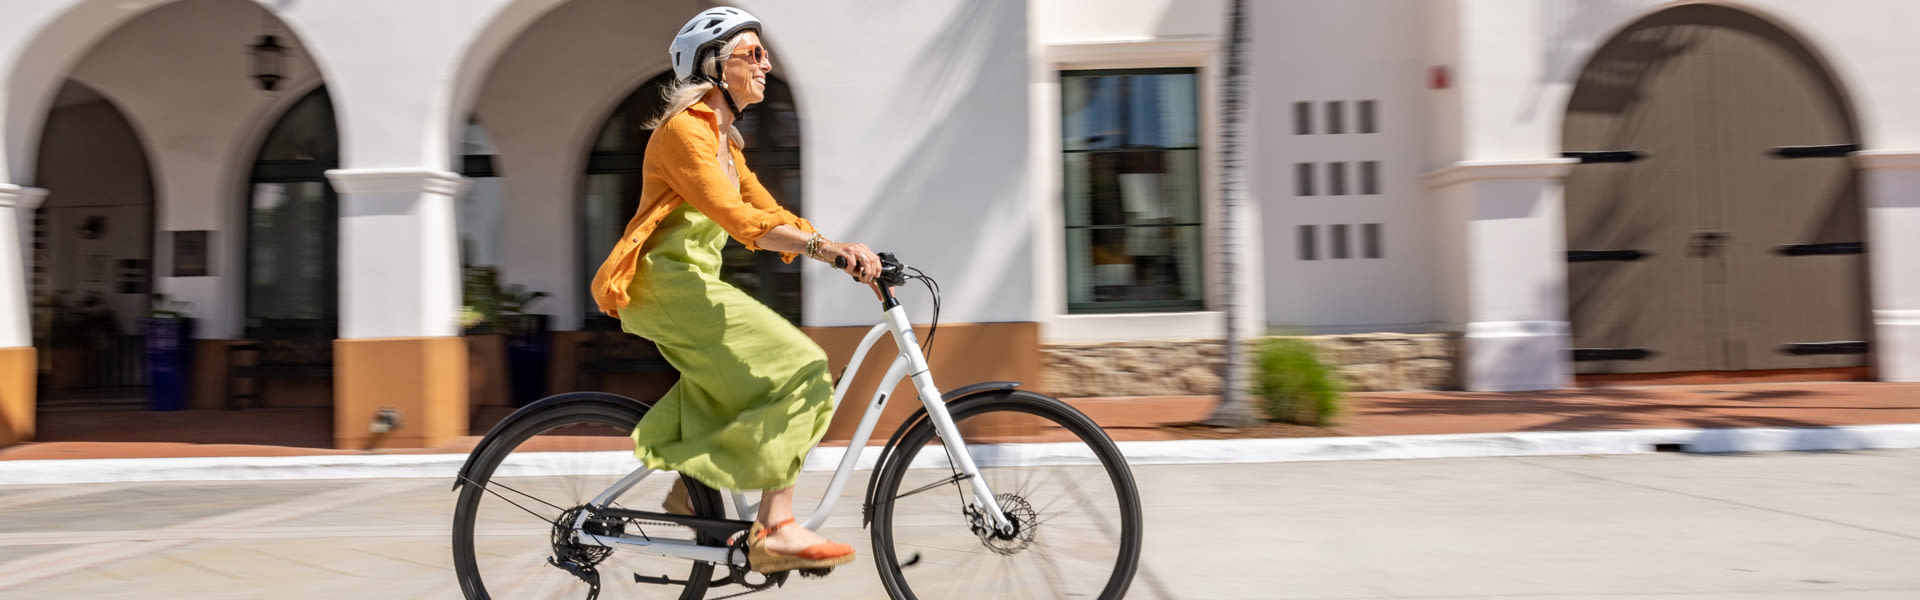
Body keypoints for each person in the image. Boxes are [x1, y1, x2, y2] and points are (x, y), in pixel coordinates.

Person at [588, 6, 878, 574]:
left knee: (737, 387)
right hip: (662, 284)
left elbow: (768, 210)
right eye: (754, 54)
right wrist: (827, 251)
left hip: (691, 284)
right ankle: (775, 529)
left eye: (764, 54)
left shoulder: (729, 144)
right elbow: (739, 220)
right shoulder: (684, 132)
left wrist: (838, 248)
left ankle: (689, 496)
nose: (767, 64)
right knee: (798, 366)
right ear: (713, 67)